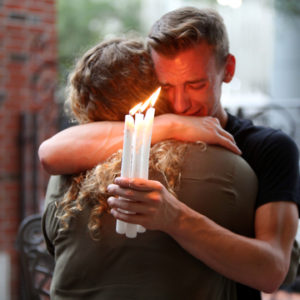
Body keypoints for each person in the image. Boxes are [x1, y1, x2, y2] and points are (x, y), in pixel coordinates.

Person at [39, 7, 300, 299]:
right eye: (166, 87)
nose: (181, 102)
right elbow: (51, 152)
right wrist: (170, 124)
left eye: (196, 85)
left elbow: (273, 270)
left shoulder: (267, 148)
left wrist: (175, 218)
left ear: (228, 69)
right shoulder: (151, 130)